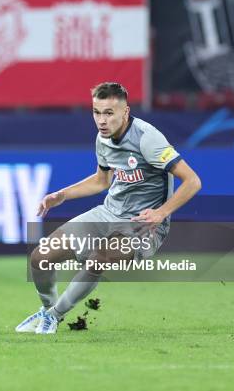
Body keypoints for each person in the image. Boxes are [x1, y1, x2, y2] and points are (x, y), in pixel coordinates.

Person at [16, 82, 202, 334]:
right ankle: (47, 311)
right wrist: (61, 195)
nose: (101, 120)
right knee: (40, 257)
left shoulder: (148, 139)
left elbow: (192, 181)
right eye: (96, 112)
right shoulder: (102, 139)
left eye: (109, 113)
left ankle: (56, 315)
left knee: (98, 259)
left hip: (141, 223)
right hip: (107, 213)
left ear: (125, 112)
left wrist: (161, 213)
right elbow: (101, 181)